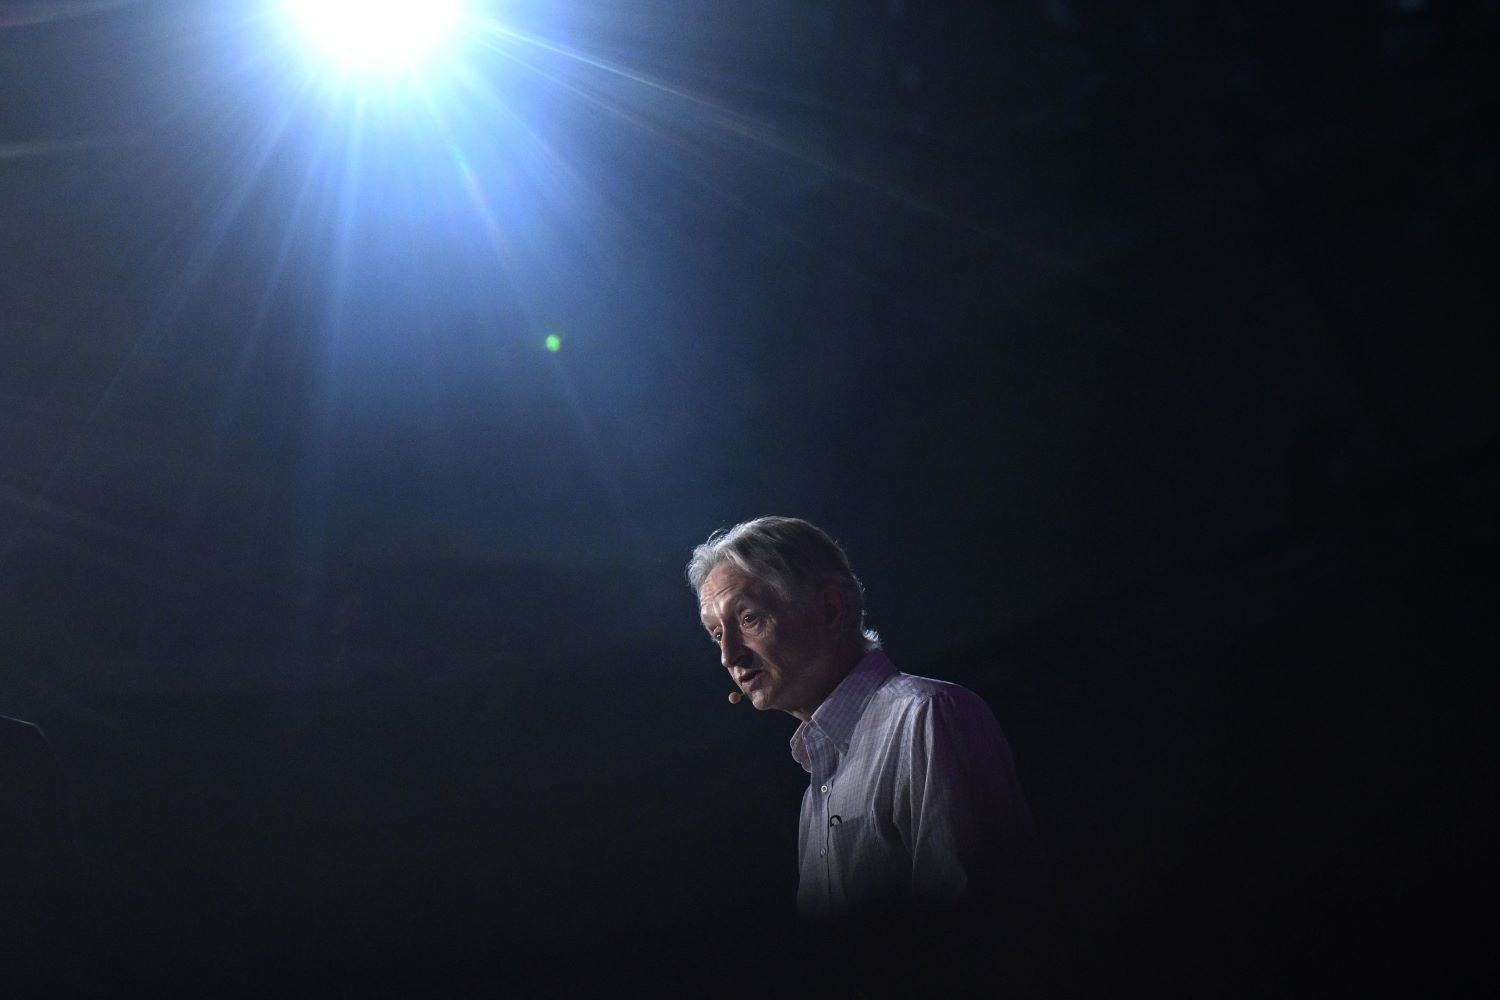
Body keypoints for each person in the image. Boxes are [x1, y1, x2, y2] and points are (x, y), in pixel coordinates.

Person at [689, 517, 1053, 993]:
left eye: (748, 618)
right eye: (718, 634)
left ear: (832, 608)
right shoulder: (818, 777)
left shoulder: (926, 716)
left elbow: (987, 932)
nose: (729, 656)